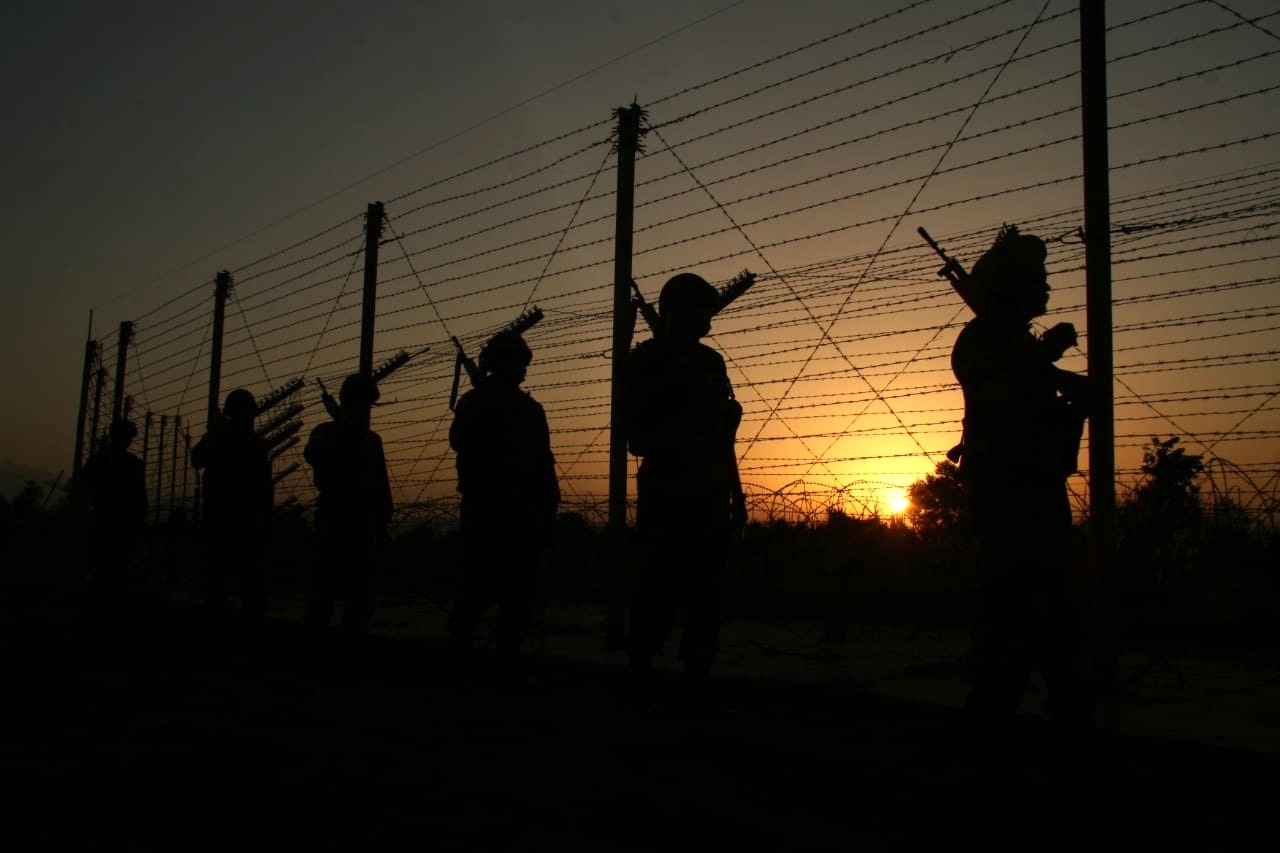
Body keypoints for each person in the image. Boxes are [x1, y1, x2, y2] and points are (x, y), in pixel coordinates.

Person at [950, 224, 1094, 726]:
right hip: (1007, 492)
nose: (1047, 286)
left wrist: (1064, 382)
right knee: (1013, 596)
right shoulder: (984, 340)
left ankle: (1056, 693)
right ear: (1011, 287)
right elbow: (998, 390)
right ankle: (995, 704)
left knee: (1046, 593)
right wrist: (1047, 354)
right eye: (1037, 277)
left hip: (1037, 483)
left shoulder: (1012, 342)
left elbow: (1032, 384)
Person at [621, 272, 747, 706]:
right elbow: (637, 436)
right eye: (698, 307)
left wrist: (735, 493)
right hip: (669, 488)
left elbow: (723, 433)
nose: (707, 317)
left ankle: (696, 676)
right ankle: (640, 674)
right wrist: (680, 398)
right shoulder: (648, 360)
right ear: (676, 311)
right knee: (658, 584)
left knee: (705, 593)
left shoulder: (710, 362)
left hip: (710, 488)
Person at [447, 329, 560, 682]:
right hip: (487, 510)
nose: (521, 368)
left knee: (517, 599)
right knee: (474, 593)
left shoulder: (530, 409)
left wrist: (548, 508)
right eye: (515, 362)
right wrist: (487, 404)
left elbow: (544, 461)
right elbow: (460, 441)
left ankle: (504, 664)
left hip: (523, 514)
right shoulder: (476, 402)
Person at [303, 373, 393, 638]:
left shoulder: (371, 440)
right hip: (334, 515)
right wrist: (344, 427)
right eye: (360, 403)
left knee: (362, 596)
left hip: (363, 520)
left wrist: (383, 519)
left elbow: (381, 484)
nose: (364, 410)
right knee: (324, 593)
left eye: (366, 405)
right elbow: (316, 457)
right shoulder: (325, 432)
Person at [191, 388, 273, 623]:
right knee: (248, 582)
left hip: (224, 521)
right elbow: (265, 489)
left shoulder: (224, 440)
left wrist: (214, 432)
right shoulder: (254, 444)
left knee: (222, 582)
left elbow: (197, 458)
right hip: (242, 522)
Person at [79, 418, 147, 601]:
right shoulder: (133, 464)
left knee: (101, 572)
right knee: (119, 572)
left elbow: (82, 485)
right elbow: (140, 499)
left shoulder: (99, 460)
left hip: (102, 520)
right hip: (123, 525)